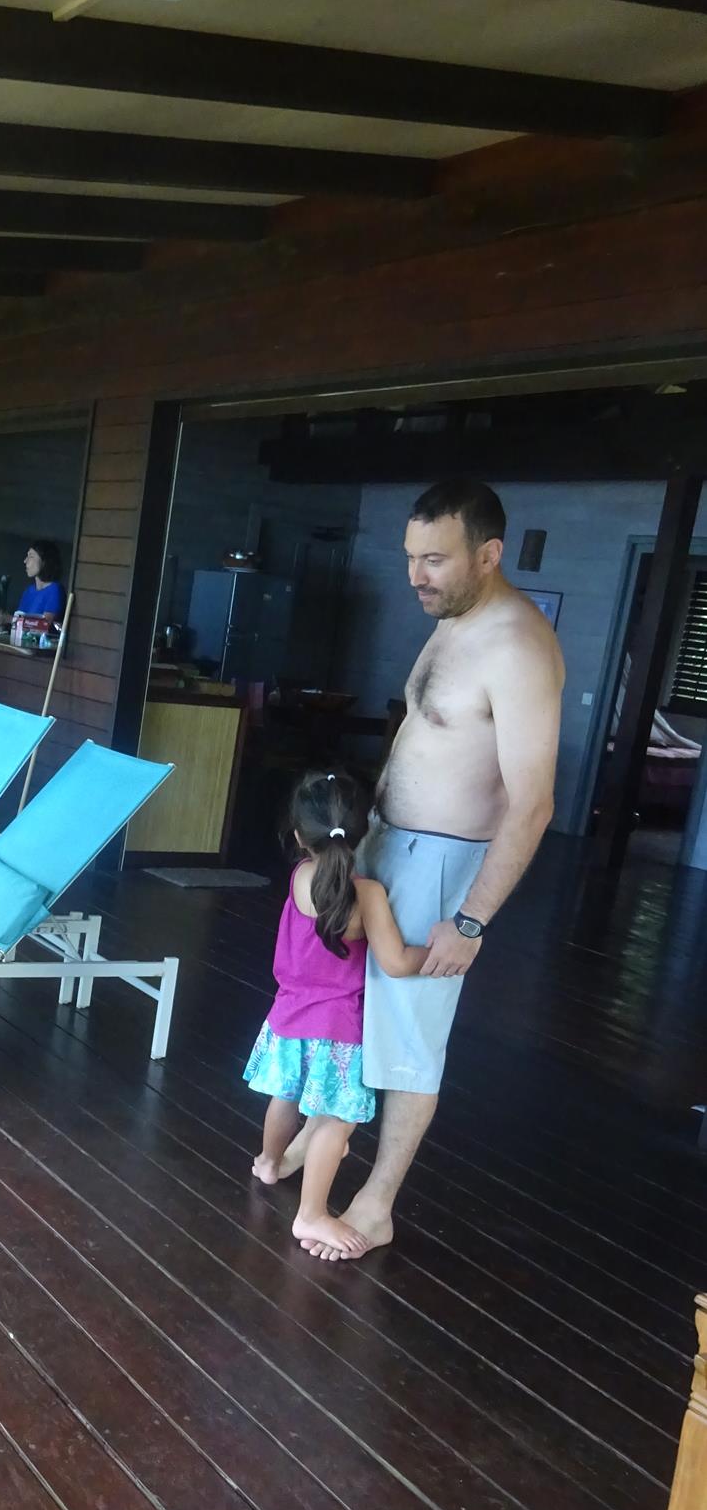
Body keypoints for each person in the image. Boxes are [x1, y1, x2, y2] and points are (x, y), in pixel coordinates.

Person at [288, 477, 563, 1261]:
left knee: (412, 1031)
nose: (417, 575)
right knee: (348, 995)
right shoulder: (450, 616)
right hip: (386, 843)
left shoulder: (517, 645)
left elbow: (533, 803)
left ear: (489, 553)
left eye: (435, 559)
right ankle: (318, 1135)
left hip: (443, 864)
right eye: (411, 557)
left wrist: (471, 919)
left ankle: (376, 1205)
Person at [247, 770, 428, 1259]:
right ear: (364, 832)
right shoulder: (367, 894)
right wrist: (433, 952)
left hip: (288, 1014)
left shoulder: (301, 877)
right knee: (334, 1123)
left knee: (286, 1096)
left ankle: (269, 1161)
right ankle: (312, 1214)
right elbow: (396, 962)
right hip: (339, 1030)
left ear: (298, 834)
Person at [13, 541, 65, 621]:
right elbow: (19, 619)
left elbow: (44, 624)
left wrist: (9, 620)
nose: (25, 561)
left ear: (44, 561)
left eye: (31, 556)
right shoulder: (28, 591)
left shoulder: (55, 590)